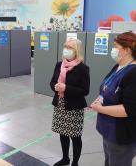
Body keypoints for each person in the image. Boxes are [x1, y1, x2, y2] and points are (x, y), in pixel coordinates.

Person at [90, 32, 136, 166]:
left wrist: (100, 108)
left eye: (116, 46)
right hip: (108, 130)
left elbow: (128, 109)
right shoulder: (118, 66)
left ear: (127, 50)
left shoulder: (133, 74)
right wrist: (99, 99)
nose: (113, 50)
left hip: (121, 134)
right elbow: (106, 88)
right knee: (109, 161)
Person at [50, 39, 90, 166]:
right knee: (63, 133)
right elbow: (52, 82)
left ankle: (75, 162)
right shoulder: (59, 65)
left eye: (70, 47)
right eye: (65, 46)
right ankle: (65, 158)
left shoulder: (83, 68)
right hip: (60, 103)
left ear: (77, 51)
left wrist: (66, 88)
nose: (66, 49)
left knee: (75, 136)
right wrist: (55, 87)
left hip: (74, 107)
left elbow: (85, 90)